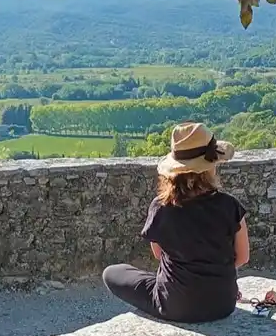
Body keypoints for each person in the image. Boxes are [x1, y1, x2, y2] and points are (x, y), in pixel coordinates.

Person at [102, 121, 249, 323]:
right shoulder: (230, 205)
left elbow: (159, 254)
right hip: (223, 304)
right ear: (211, 166)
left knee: (112, 273)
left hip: (176, 306)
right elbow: (242, 257)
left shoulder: (161, 207)